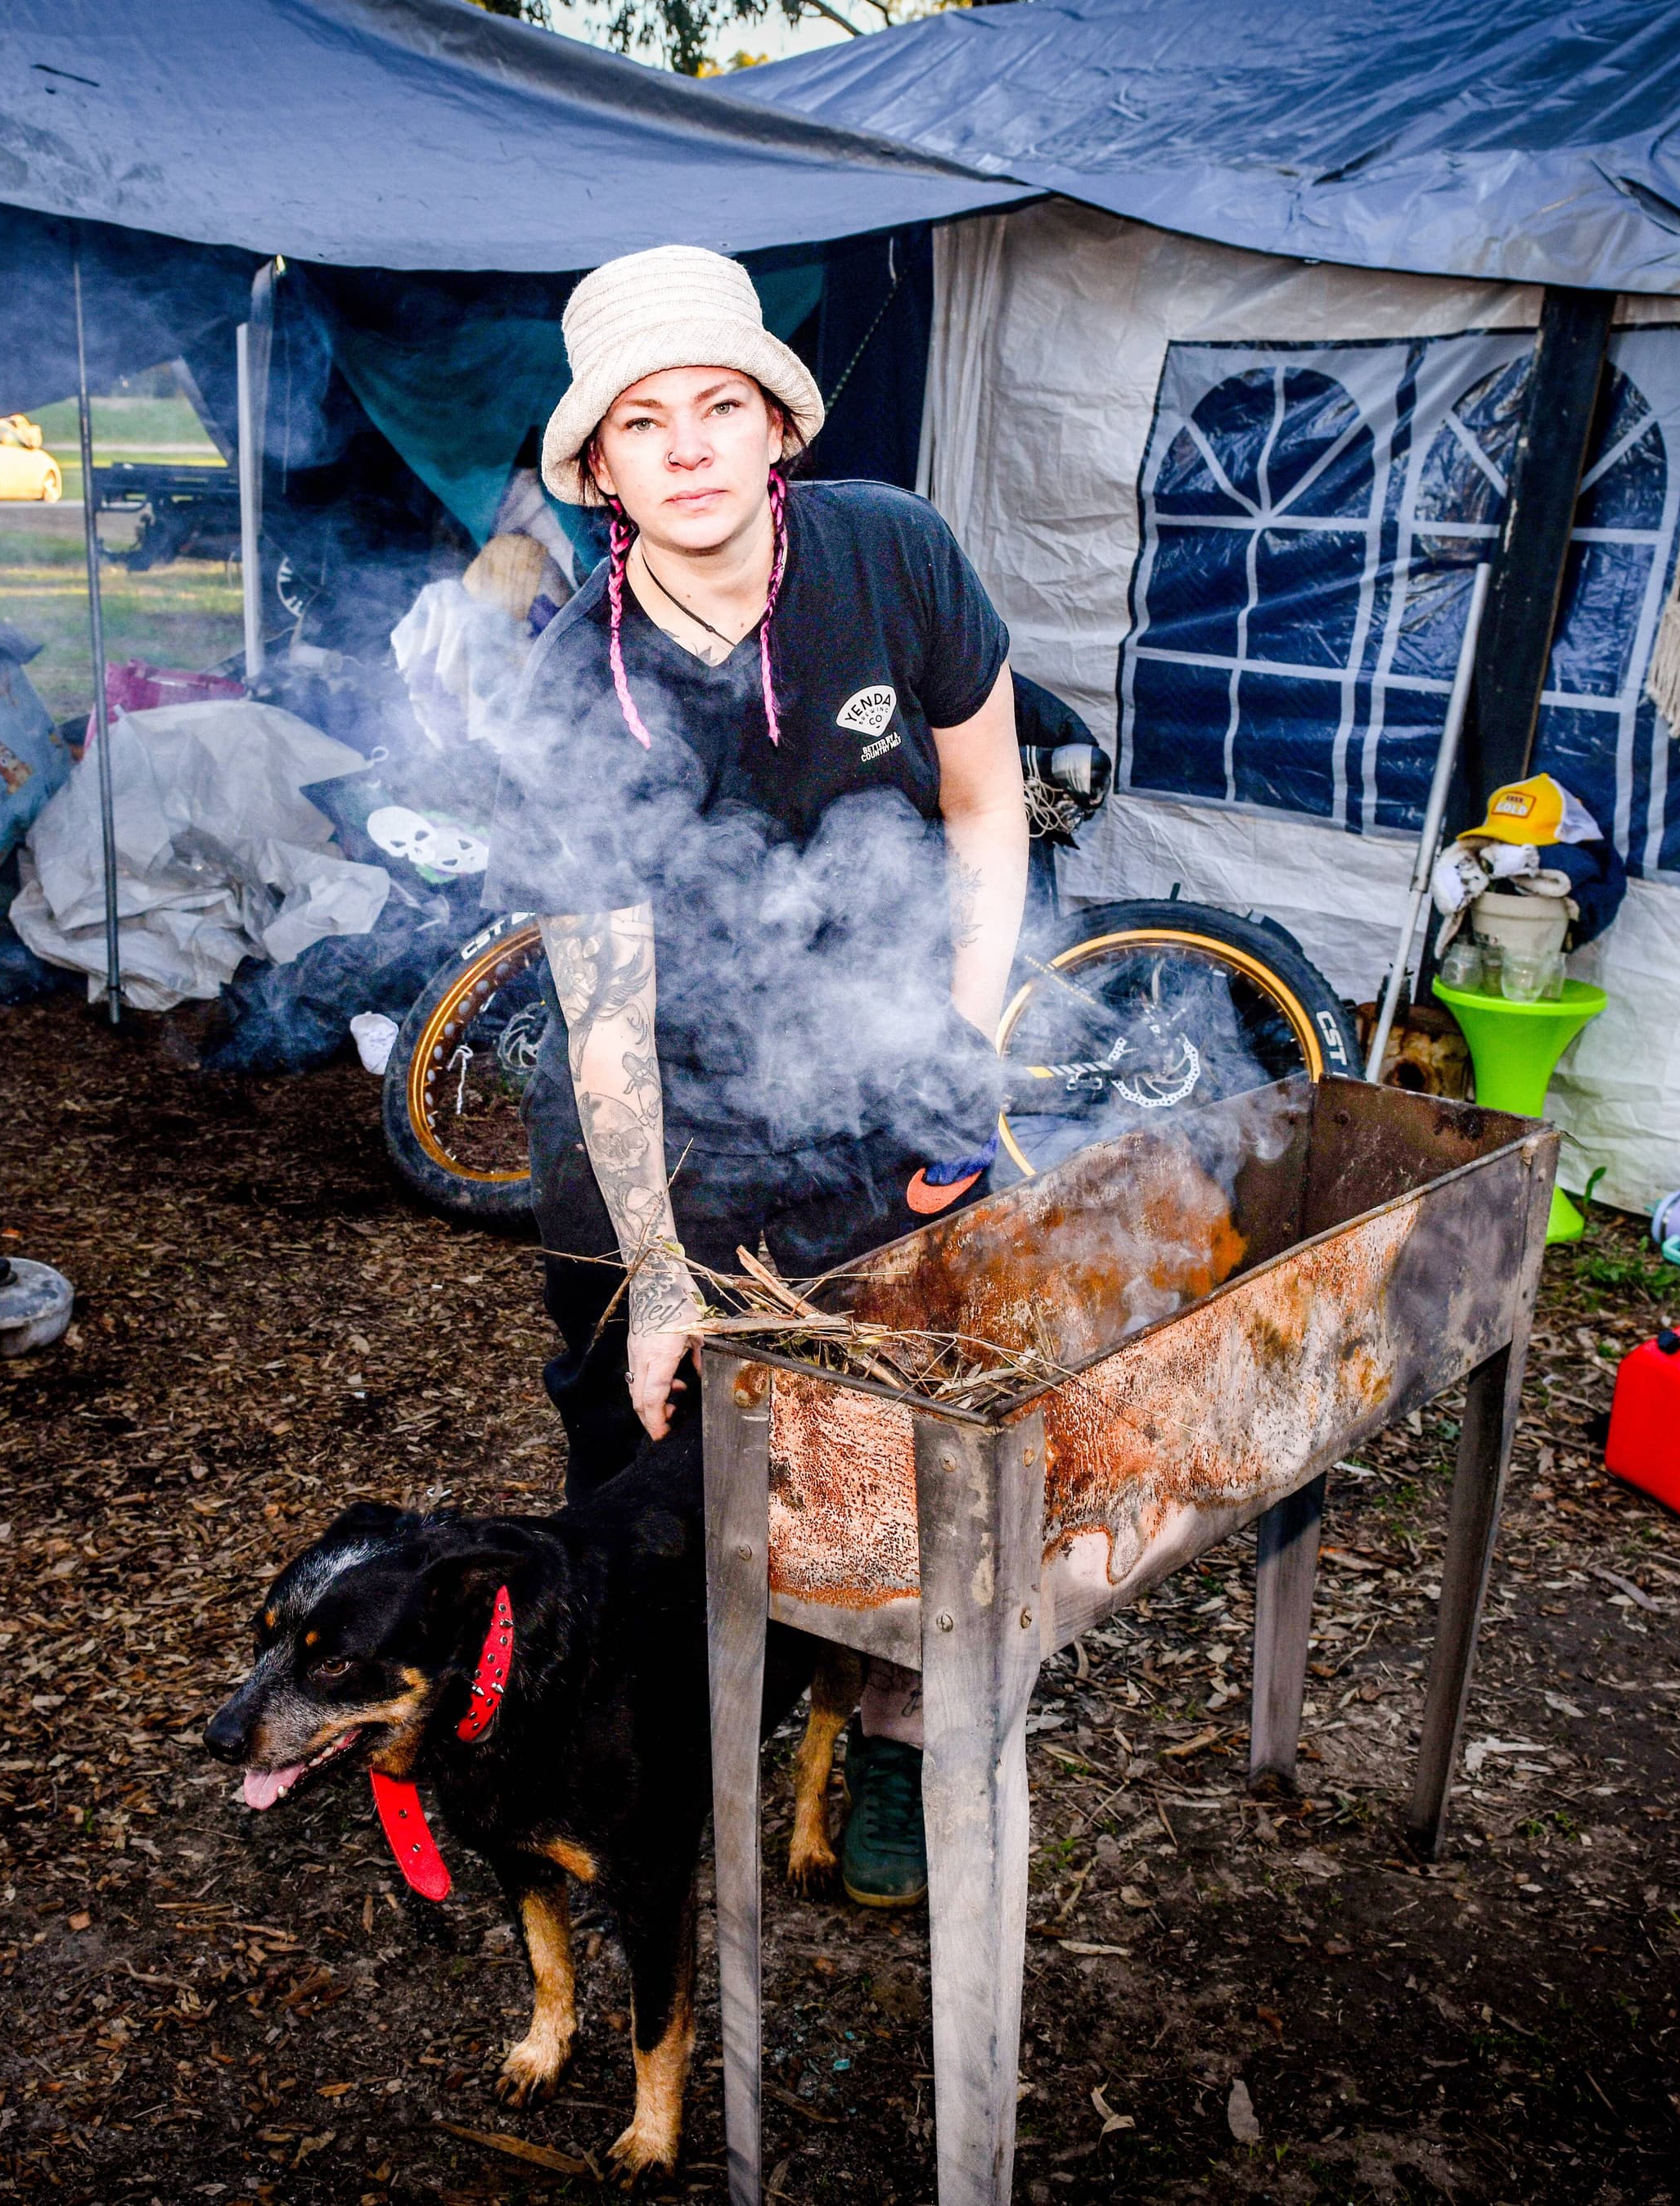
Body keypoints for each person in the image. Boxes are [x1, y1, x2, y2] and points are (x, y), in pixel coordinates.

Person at [492, 246, 1027, 1910]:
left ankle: (883, 1740)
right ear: (599, 471)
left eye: (721, 403)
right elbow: (604, 1000)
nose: (692, 446)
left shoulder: (899, 558)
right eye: (643, 423)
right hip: (643, 1127)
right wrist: (658, 1271)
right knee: (648, 1491)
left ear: (777, 425)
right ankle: (658, 1766)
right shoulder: (568, 682)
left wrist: (965, 1049)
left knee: (888, 1433)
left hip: (870, 1077)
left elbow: (986, 811)